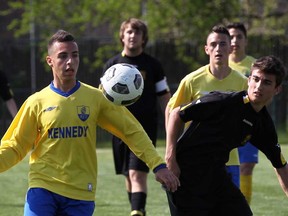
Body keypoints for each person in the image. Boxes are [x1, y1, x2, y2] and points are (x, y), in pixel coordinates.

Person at [0, 29, 179, 216]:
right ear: (50, 61)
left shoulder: (96, 98)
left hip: (81, 192)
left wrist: (158, 165)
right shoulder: (36, 102)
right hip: (43, 187)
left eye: (74, 55)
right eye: (62, 56)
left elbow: (131, 131)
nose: (70, 61)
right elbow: (15, 146)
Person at [165, 55, 288, 215]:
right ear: (249, 80)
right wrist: (170, 159)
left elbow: (280, 165)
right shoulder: (223, 101)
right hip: (184, 175)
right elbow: (176, 114)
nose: (258, 86)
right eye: (256, 79)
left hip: (216, 176)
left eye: (266, 82)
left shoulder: (263, 125)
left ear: (277, 89)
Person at [165, 25, 247, 193]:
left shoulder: (242, 83)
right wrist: (171, 154)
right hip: (196, 160)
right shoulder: (192, 80)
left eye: (223, 44)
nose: (218, 48)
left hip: (229, 161)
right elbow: (171, 112)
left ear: (231, 48)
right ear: (206, 49)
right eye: (214, 44)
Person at [102, 18, 171, 216]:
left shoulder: (153, 65)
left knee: (136, 173)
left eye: (137, 32)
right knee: (127, 174)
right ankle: (138, 210)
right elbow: (102, 97)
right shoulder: (112, 65)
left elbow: (164, 97)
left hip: (144, 127)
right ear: (122, 36)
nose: (133, 36)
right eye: (129, 32)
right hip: (118, 128)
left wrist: (171, 123)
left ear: (144, 38)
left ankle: (137, 211)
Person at [227, 22, 257, 205]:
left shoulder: (253, 65)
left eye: (239, 36)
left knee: (246, 168)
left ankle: (244, 208)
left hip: (248, 124)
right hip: (226, 126)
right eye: (231, 36)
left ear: (245, 40)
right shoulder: (220, 63)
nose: (235, 40)